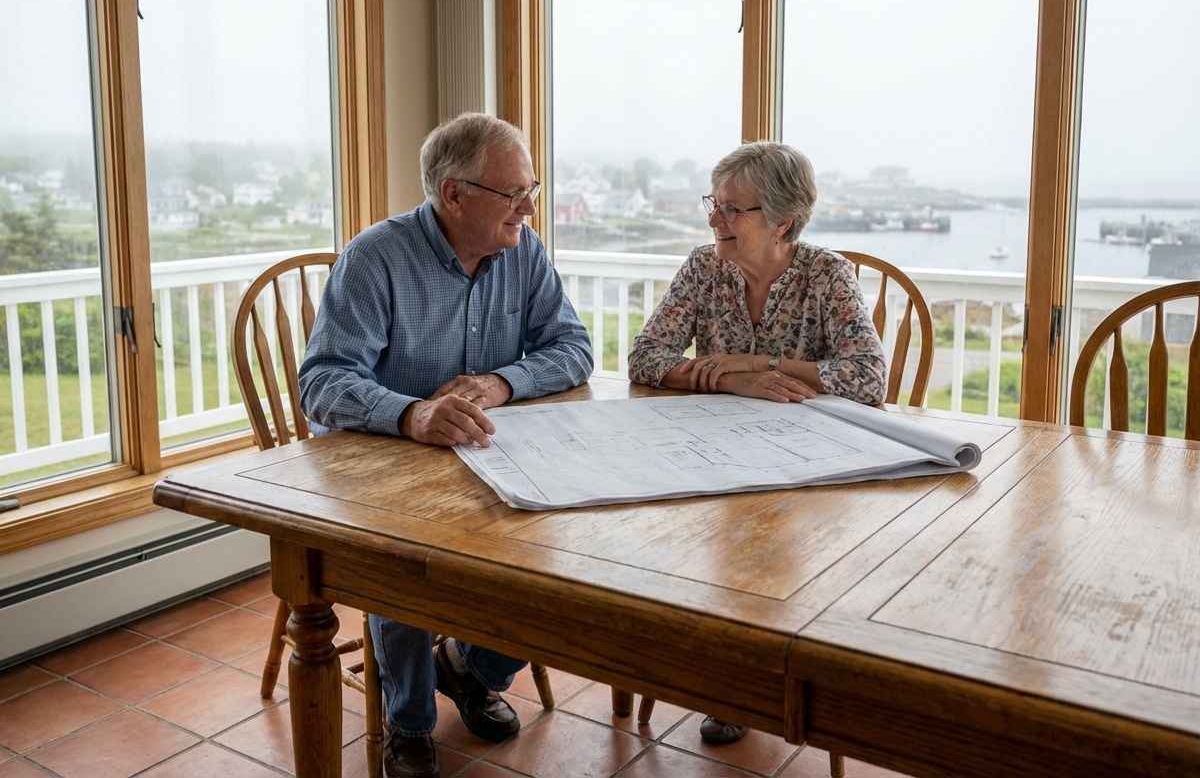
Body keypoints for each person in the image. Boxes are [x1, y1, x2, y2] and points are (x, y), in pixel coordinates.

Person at [298, 112, 593, 778]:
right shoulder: (376, 257)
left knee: (558, 545)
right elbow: (321, 381)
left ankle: (469, 667)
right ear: (453, 195)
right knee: (405, 563)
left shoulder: (525, 250)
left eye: (533, 189)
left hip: (485, 457)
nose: (528, 207)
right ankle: (406, 722)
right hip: (385, 465)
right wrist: (410, 415)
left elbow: (574, 349)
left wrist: (501, 380)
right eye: (513, 193)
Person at [628, 140, 886, 745]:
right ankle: (727, 681)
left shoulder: (826, 274)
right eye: (712, 205)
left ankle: (762, 685)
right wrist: (739, 381)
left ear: (781, 224)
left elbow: (869, 379)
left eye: (730, 210)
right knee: (687, 550)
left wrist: (760, 358)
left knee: (778, 557)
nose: (714, 220)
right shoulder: (702, 266)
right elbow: (645, 359)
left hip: (807, 468)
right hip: (713, 456)